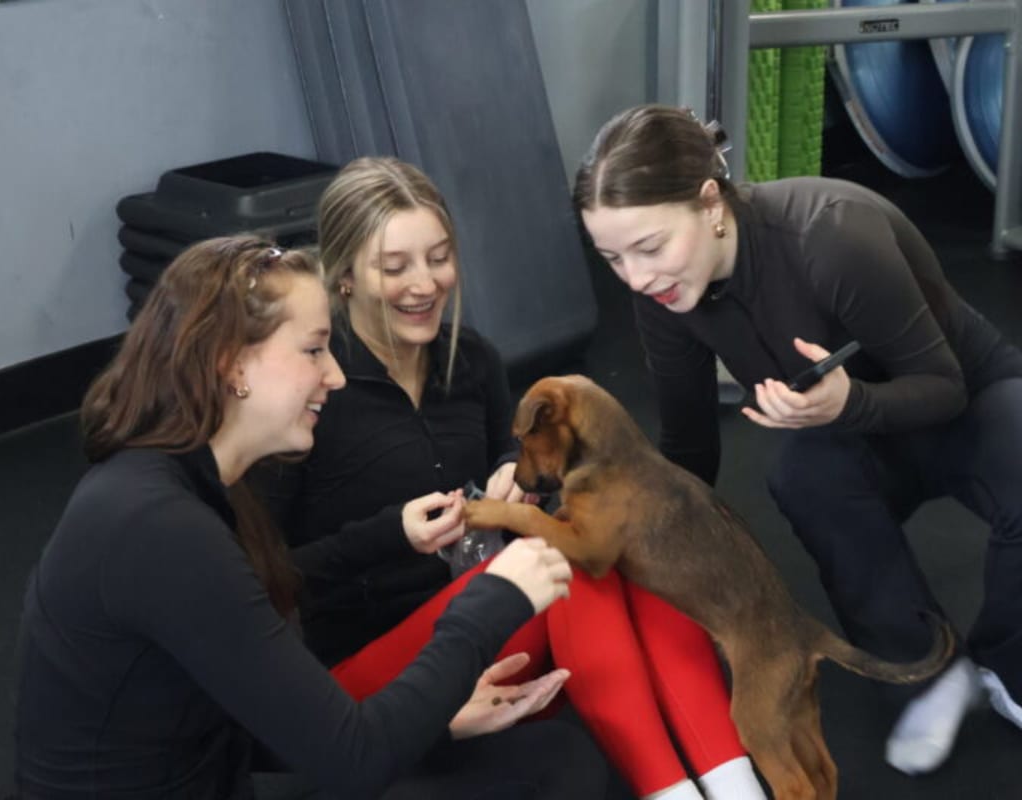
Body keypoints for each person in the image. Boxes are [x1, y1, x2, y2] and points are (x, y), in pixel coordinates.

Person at [572, 103, 1022, 778]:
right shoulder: (661, 298)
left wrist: (850, 401)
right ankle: (932, 675)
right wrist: (651, 547)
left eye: (650, 248)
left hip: (965, 395)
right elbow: (688, 444)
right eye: (611, 257)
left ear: (709, 203)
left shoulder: (830, 237)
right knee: (805, 480)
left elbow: (942, 384)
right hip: (849, 426)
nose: (636, 276)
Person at [12, 235, 608, 800]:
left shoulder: (180, 485)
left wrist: (435, 717)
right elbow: (354, 761)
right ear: (231, 364)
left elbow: (231, 719)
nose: (336, 376)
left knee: (554, 755)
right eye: (313, 350)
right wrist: (494, 600)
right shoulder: (158, 526)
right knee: (556, 768)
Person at [252, 156, 766, 800]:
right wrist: (391, 535)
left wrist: (511, 477)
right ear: (345, 277)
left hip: (489, 625)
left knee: (625, 537)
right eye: (394, 267)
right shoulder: (310, 395)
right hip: (373, 674)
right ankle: (681, 789)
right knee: (562, 554)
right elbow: (264, 583)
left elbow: (511, 457)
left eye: (439, 257)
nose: (424, 283)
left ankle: (734, 783)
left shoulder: (472, 360)